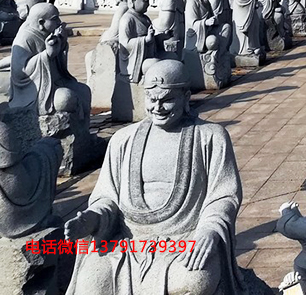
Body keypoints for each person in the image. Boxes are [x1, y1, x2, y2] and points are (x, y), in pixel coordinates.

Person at [64, 60, 248, 295]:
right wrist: (92, 219)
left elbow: (224, 196)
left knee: (195, 283)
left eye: (167, 99)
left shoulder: (210, 137)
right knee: (90, 283)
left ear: (185, 97)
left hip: (185, 240)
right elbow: (107, 198)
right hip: (127, 243)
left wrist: (209, 230)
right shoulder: (123, 140)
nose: (158, 107)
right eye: (152, 99)